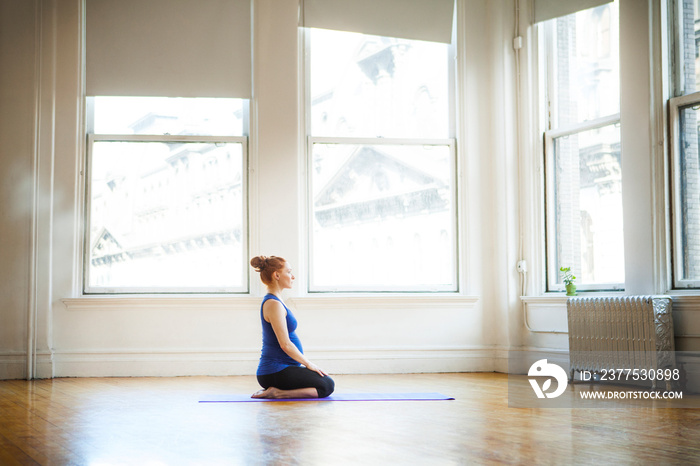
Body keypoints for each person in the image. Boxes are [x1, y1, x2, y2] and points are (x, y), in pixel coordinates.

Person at [250, 255, 335, 399]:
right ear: (276, 275)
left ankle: (277, 391)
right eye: (289, 272)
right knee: (327, 385)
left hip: (284, 368)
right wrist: (308, 364)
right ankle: (278, 393)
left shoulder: (277, 301)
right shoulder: (273, 304)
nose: (293, 276)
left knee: (325, 383)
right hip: (274, 371)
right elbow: (285, 344)